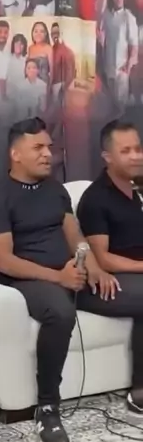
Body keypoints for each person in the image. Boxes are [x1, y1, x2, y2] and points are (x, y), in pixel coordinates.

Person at [0, 116, 143, 442]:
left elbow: (76, 238)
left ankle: (139, 391)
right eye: (38, 148)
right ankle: (47, 408)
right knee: (60, 313)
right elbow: (3, 260)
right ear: (15, 154)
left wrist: (93, 267)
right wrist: (59, 277)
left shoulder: (55, 189)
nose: (48, 154)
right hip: (27, 280)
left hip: (71, 274)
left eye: (49, 147)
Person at [77, 119, 143, 414]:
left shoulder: (137, 191)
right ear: (107, 157)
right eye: (126, 151)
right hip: (105, 281)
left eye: (138, 148)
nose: (136, 156)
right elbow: (103, 258)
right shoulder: (96, 198)